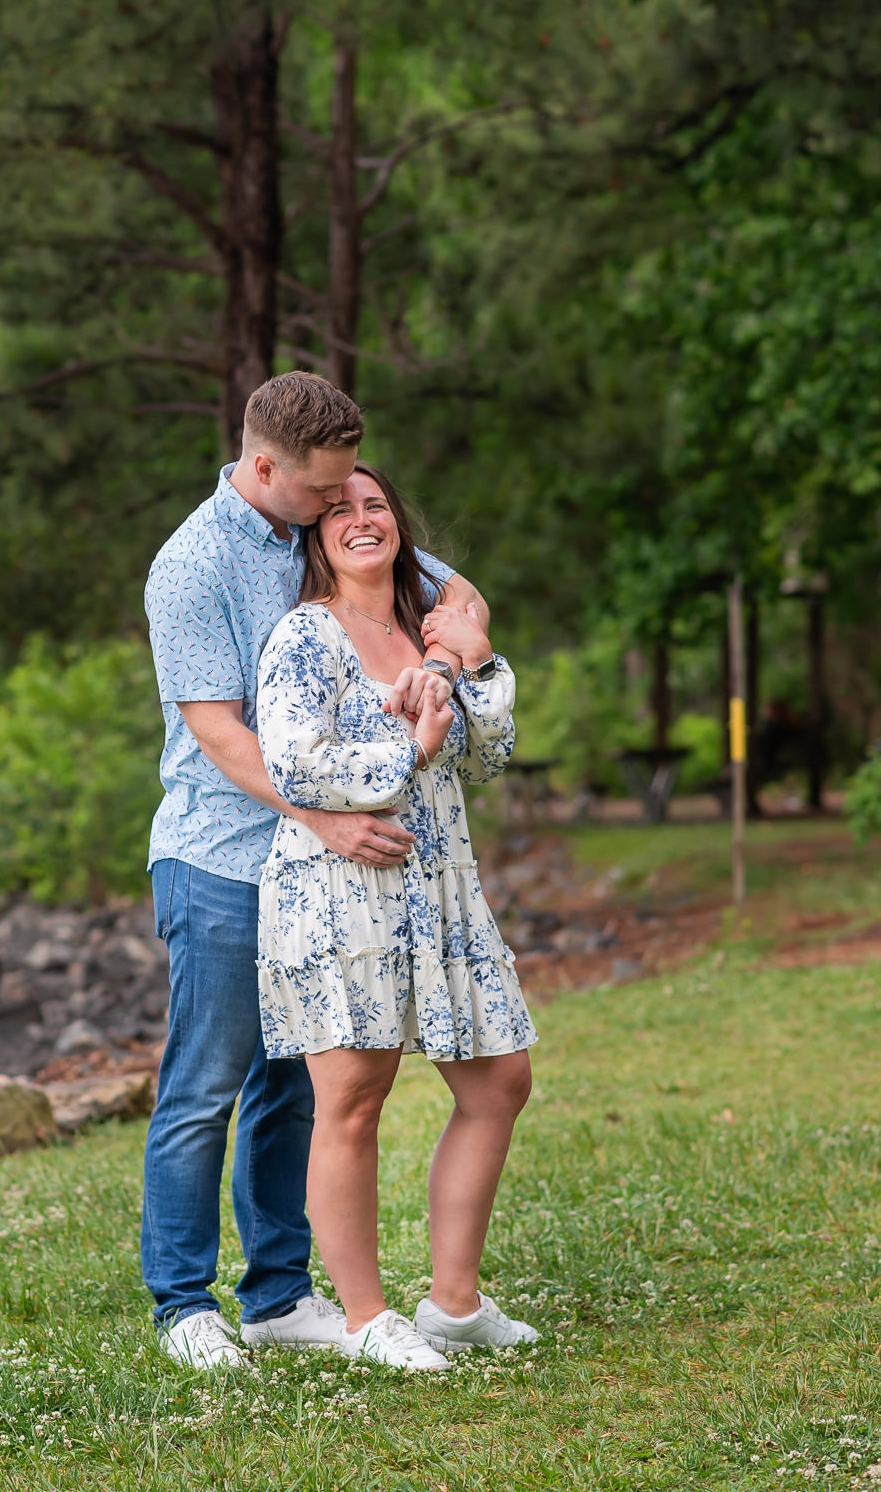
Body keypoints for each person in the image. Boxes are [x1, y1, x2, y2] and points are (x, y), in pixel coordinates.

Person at [142, 372, 482, 1370]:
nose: (336, 508)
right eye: (319, 492)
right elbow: (215, 732)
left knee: (295, 1085)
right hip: (220, 857)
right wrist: (326, 821)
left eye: (347, 489)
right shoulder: (190, 567)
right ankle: (180, 1305)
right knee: (205, 1086)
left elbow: (456, 591)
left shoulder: (323, 524)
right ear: (260, 468)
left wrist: (453, 655)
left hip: (318, 873)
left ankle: (279, 1296)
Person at [255, 462, 538, 1371]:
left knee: (499, 1080)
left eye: (374, 504)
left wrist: (476, 662)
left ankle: (454, 1305)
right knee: (352, 1099)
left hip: (443, 883)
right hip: (341, 890)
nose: (360, 518)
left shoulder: (431, 630)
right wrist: (407, 748)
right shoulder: (304, 635)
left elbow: (490, 756)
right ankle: (368, 1318)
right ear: (315, 536)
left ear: (398, 525)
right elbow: (296, 766)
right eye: (338, 509)